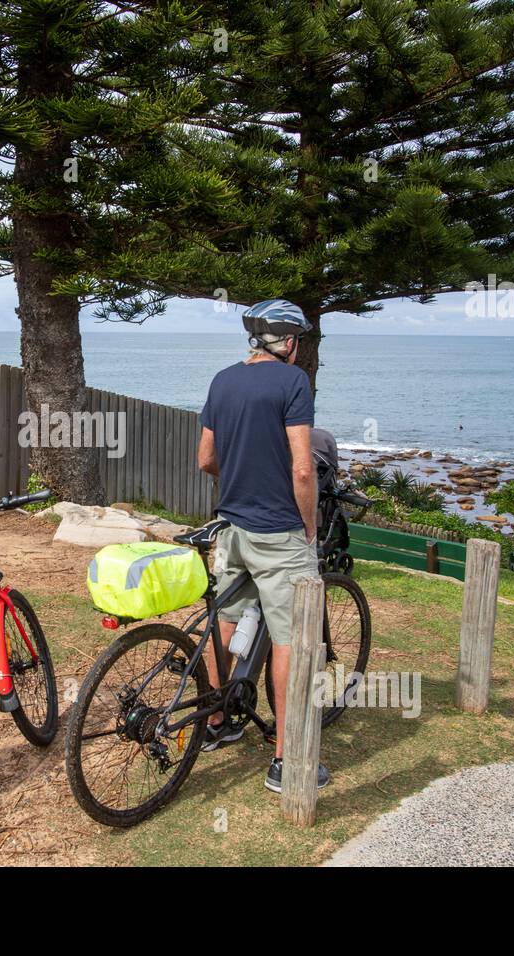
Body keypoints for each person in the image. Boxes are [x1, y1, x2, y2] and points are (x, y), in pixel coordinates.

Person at [197, 299, 328, 795]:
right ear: (288, 341)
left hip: (230, 527)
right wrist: (309, 526)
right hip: (279, 534)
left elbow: (206, 458)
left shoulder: (222, 379)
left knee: (225, 622)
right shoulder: (294, 383)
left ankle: (215, 722)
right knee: (294, 638)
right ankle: (286, 758)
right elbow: (302, 467)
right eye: (298, 339)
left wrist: (240, 478)